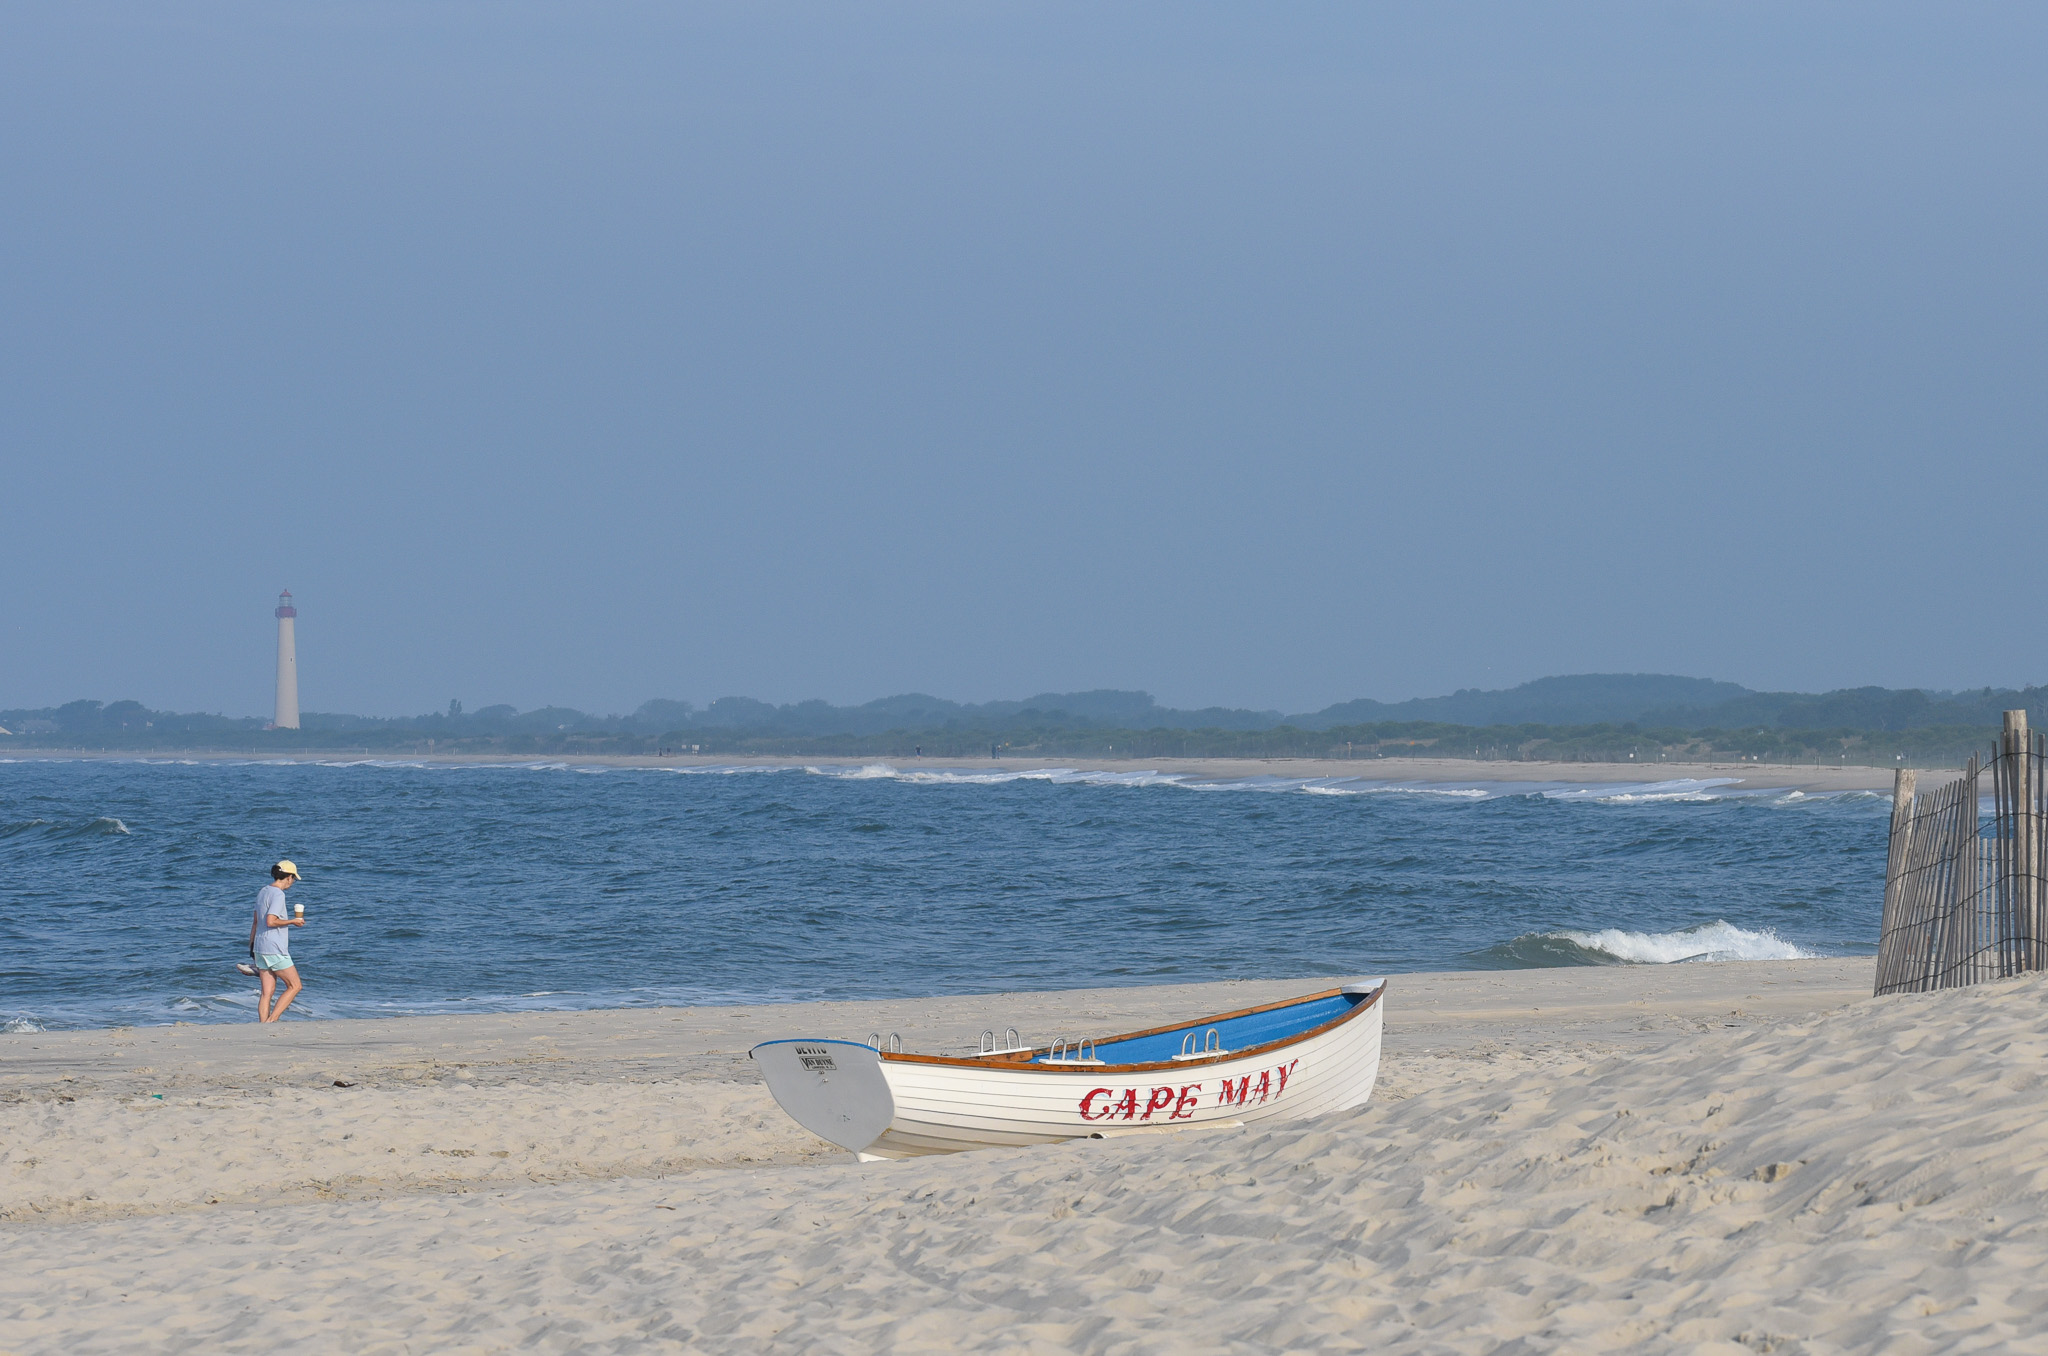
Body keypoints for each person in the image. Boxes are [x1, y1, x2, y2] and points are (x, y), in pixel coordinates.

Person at [247, 860, 307, 1023]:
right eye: (293, 879)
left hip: (260, 946)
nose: (292, 882)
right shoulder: (278, 894)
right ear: (288, 877)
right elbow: (271, 921)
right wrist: (293, 921)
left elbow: (255, 921)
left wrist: (251, 946)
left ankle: (263, 1024)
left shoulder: (263, 891)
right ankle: (271, 1022)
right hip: (274, 948)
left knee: (267, 992)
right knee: (295, 986)